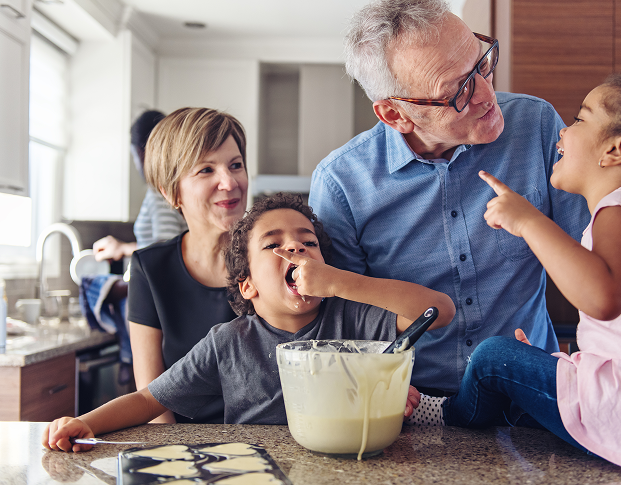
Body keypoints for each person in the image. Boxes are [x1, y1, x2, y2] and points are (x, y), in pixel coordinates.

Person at [420, 68, 621, 475]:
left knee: (492, 357)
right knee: (525, 377)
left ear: (617, 149)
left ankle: (443, 415)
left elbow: (603, 298)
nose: (563, 133)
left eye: (580, 119)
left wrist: (528, 222)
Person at [308, 0, 590, 395]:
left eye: (481, 65)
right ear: (395, 114)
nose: (486, 94)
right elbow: (346, 318)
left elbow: (592, 258)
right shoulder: (341, 185)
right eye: (457, 91)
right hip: (411, 408)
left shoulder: (537, 125)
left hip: (533, 390)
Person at [41, 193, 455, 451]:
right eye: (274, 245)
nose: (295, 246)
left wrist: (342, 283)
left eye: (308, 243)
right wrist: (87, 422)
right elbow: (150, 400)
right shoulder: (228, 343)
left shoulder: (354, 318)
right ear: (248, 286)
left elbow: (440, 311)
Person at [127, 107, 249, 424]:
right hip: (181, 450)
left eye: (235, 165)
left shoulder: (273, 259)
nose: (229, 182)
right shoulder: (149, 268)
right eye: (206, 170)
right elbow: (152, 401)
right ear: (171, 193)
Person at [93, 110, 188, 262]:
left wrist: (123, 248)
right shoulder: (174, 186)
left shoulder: (160, 191)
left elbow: (166, 247)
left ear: (141, 152)